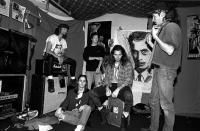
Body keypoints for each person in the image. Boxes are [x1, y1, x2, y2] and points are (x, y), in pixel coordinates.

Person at [141, 3, 182, 131]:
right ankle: (153, 128)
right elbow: (161, 50)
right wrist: (150, 42)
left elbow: (170, 50)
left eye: (154, 16)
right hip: (159, 69)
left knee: (166, 105)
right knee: (153, 101)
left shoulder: (172, 27)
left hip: (166, 70)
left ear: (163, 14)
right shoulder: (164, 28)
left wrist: (155, 37)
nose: (153, 19)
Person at [89, 45, 133, 131]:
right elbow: (106, 79)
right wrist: (106, 88)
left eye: (119, 55)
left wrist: (118, 89)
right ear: (112, 55)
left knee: (129, 96)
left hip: (122, 85)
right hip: (110, 85)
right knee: (92, 92)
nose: (117, 57)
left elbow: (129, 79)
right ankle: (102, 111)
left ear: (122, 55)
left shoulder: (127, 64)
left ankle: (124, 116)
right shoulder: (109, 64)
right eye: (115, 54)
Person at [43, 24, 77, 92]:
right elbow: (48, 50)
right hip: (48, 55)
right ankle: (50, 81)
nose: (65, 31)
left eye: (66, 30)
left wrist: (61, 57)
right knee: (50, 57)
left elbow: (63, 52)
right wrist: (58, 57)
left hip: (57, 57)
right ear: (59, 29)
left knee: (73, 62)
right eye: (64, 29)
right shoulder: (52, 37)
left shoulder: (63, 41)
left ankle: (73, 80)